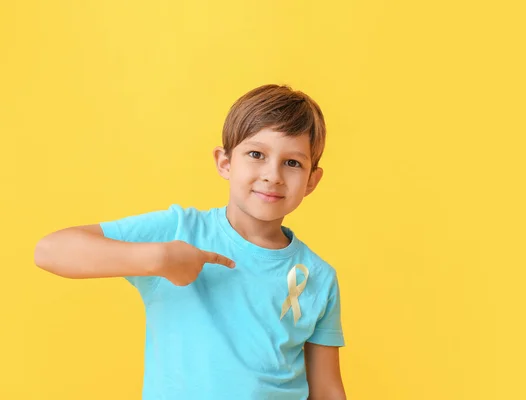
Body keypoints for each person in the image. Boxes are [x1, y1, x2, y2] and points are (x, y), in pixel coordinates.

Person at [34, 84, 347, 399]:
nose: (273, 175)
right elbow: (50, 251)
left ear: (311, 180)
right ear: (224, 162)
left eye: (292, 163)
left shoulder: (318, 276)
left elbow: (326, 389)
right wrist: (159, 260)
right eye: (256, 154)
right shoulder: (178, 231)